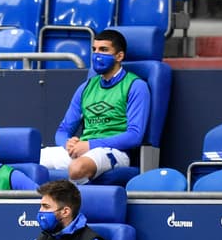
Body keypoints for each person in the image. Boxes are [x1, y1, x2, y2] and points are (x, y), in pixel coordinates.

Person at [39, 29, 151, 184]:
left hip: (114, 152)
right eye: (94, 49)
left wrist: (91, 145)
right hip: (81, 149)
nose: (97, 54)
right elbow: (63, 130)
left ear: (119, 56)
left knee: (77, 169)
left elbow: (134, 136)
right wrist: (67, 143)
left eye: (104, 50)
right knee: (27, 161)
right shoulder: (86, 87)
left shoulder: (136, 86)